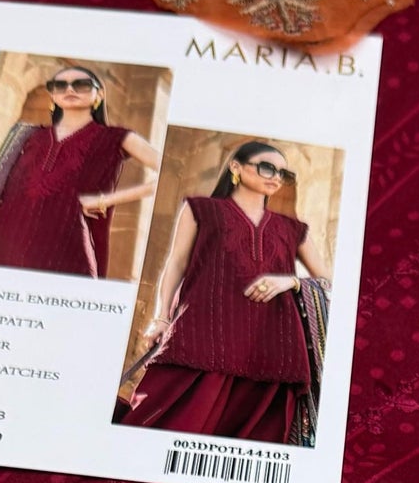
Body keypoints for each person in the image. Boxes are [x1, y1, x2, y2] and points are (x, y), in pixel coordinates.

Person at [117, 140, 331, 441]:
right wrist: (161, 317)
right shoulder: (201, 210)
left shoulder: (294, 229)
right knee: (161, 425)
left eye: (282, 173)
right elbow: (176, 264)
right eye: (267, 167)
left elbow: (329, 283)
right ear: (235, 167)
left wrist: (291, 282)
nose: (275, 177)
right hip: (202, 337)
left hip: (271, 347)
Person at [0, 65, 157, 276]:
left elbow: (164, 176)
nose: (70, 89)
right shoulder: (29, 135)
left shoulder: (117, 138)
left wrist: (103, 200)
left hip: (63, 252)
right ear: (52, 95)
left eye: (81, 85)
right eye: (60, 85)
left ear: (100, 94)